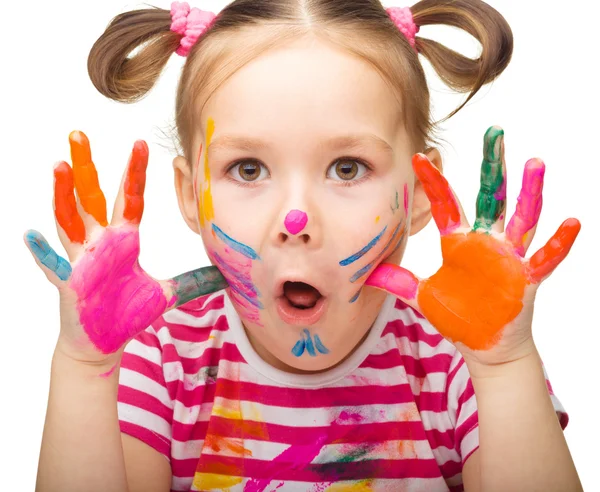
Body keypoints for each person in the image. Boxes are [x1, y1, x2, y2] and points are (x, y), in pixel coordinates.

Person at [26, 0, 583, 490]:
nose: (297, 218)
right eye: (248, 168)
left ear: (417, 193)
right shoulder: (163, 360)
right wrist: (83, 365)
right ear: (191, 194)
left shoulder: (458, 363)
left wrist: (505, 366)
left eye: (347, 167)